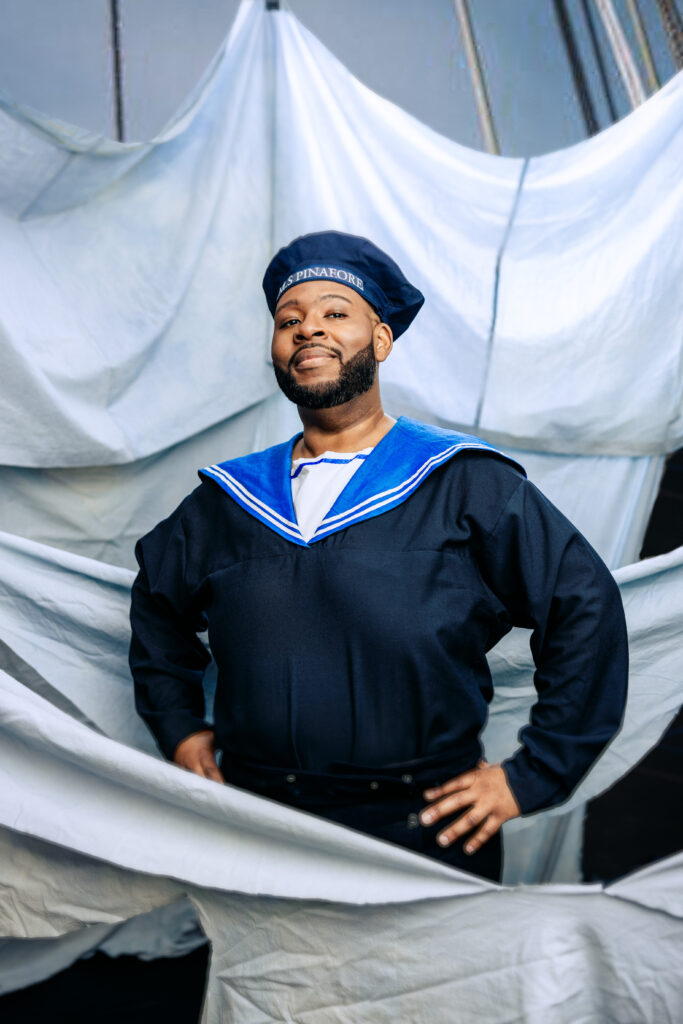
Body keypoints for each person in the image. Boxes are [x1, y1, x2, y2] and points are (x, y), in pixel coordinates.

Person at [129, 230, 628, 882]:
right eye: (288, 321)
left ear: (382, 340)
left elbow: (582, 605)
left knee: (422, 985)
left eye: (335, 313)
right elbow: (156, 607)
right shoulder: (226, 501)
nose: (308, 329)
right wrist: (181, 727)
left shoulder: (464, 483)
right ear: (277, 351)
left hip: (422, 824)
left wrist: (533, 775)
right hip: (255, 822)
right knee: (274, 984)